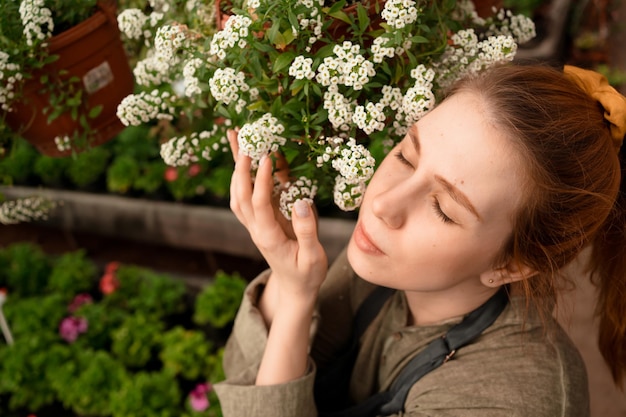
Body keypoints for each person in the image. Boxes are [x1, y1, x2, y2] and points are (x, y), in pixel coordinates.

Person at [213, 63, 626, 417]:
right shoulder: (383, 265)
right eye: (406, 156)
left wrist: (298, 299)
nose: (383, 204)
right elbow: (244, 372)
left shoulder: (515, 397)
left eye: (444, 209)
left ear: (511, 265)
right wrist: (291, 283)